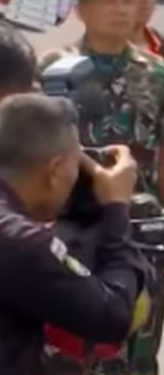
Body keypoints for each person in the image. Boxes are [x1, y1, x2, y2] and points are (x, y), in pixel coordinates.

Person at [39, 0, 164, 375]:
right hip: (72, 226)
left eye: (128, 0)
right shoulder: (53, 69)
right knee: (69, 345)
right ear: (81, 10)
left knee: (140, 344)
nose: (123, 9)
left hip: (141, 227)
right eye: (109, 2)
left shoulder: (154, 71)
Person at [0, 96, 152, 374]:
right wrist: (116, 208)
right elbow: (112, 315)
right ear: (55, 170)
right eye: (75, 164)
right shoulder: (22, 242)